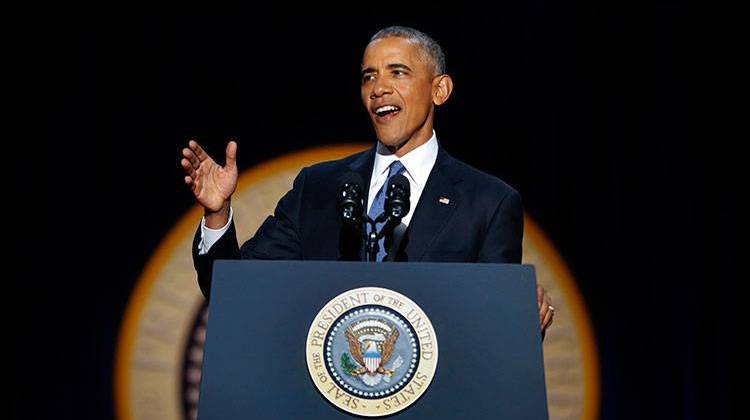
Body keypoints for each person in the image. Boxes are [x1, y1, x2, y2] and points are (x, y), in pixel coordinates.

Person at [180, 26, 554, 334]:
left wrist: (518, 323)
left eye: (398, 72)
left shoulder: (488, 202)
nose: (379, 89)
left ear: (439, 90)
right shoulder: (318, 187)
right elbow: (234, 293)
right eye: (368, 76)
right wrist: (217, 214)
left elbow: (491, 333)